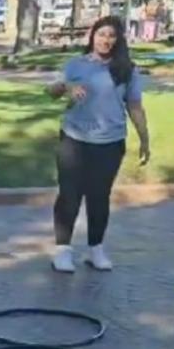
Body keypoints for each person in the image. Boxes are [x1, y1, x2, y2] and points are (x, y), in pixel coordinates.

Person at [46, 16, 151, 274]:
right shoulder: (76, 64)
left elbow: (135, 106)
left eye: (111, 36)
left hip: (110, 142)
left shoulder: (126, 69)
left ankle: (96, 249)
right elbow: (51, 91)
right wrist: (67, 87)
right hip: (74, 139)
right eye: (101, 34)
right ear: (92, 36)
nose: (106, 40)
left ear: (118, 40)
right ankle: (62, 251)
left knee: (99, 197)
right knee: (69, 195)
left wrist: (144, 139)